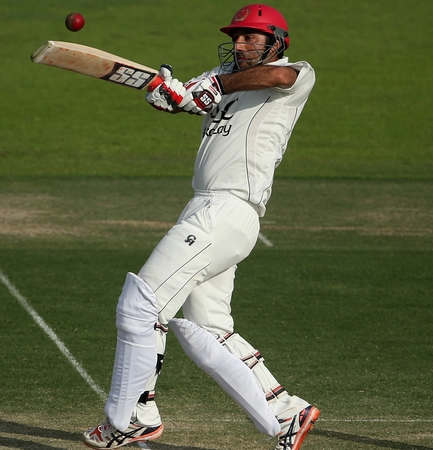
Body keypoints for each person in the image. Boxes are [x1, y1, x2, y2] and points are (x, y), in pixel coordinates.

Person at [82, 4, 318, 450]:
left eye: (252, 38)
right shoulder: (224, 74)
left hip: (227, 211)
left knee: (141, 303)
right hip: (206, 210)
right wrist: (171, 94)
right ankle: (287, 411)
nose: (241, 45)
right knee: (207, 328)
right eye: (237, 37)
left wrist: (214, 85)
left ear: (276, 42)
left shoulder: (294, 73)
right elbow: (193, 98)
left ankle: (133, 416)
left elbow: (273, 80)